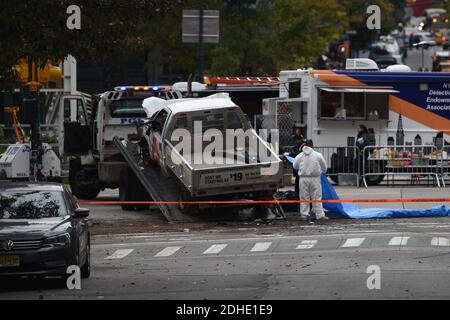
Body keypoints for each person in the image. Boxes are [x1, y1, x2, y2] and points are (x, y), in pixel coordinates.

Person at [293, 140, 328, 221]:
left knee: (304, 197)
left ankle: (304, 215)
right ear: (312, 145)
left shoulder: (300, 155)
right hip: (315, 178)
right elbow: (324, 168)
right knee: (317, 197)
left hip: (303, 179)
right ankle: (319, 215)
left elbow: (295, 166)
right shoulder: (318, 155)